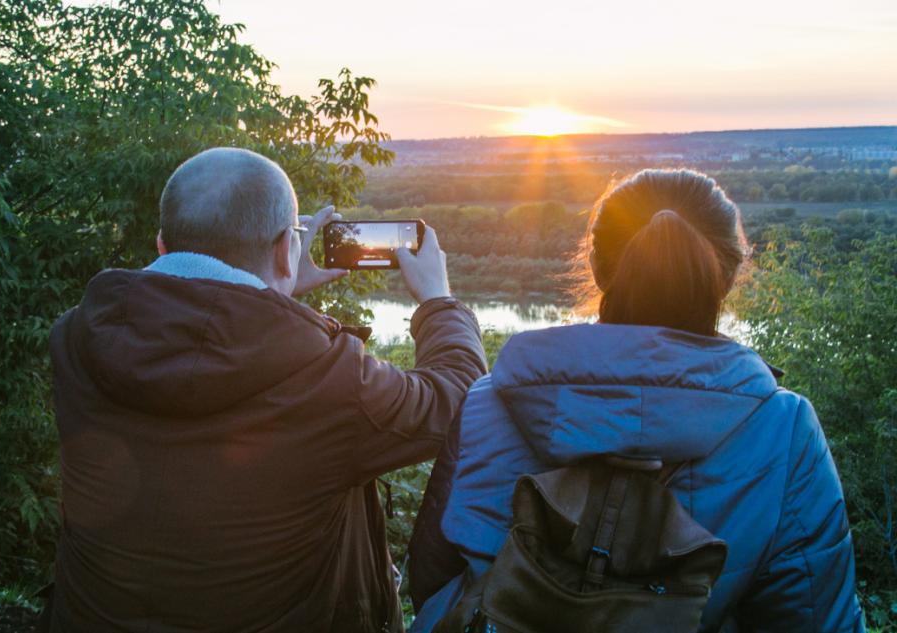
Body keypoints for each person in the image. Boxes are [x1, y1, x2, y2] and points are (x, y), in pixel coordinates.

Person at [45, 147, 487, 633]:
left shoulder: (77, 339)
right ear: (283, 249)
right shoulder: (332, 380)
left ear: (161, 245)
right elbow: (458, 399)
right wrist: (438, 300)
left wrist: (273, 291)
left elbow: (195, 336)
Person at [408, 169, 864, 632]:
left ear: (596, 265)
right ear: (728, 275)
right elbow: (816, 616)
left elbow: (433, 581)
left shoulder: (489, 402)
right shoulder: (784, 430)